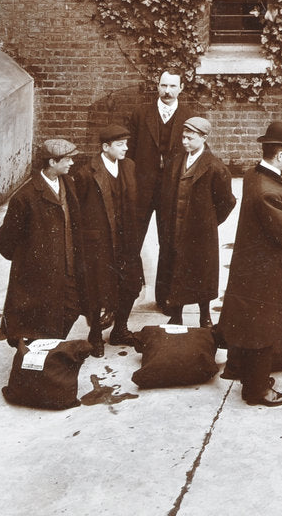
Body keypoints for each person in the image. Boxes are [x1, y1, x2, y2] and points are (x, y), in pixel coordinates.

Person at [219, 121, 282, 407]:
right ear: (280, 154)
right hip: (268, 273)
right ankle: (257, 391)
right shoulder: (266, 190)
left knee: (254, 327)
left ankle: (252, 379)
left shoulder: (255, 175)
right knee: (262, 330)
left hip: (256, 269)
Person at [0, 139, 85, 345]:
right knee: (40, 320)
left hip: (68, 266)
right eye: (68, 159)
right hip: (40, 273)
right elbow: (6, 241)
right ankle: (38, 355)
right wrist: (28, 259)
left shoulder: (68, 183)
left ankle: (47, 349)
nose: (72, 163)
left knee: (72, 308)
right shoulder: (24, 197)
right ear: (53, 162)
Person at [126, 69, 199, 312]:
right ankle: (125, 294)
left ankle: (166, 296)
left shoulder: (189, 117)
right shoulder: (141, 114)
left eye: (172, 87)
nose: (167, 91)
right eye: (163, 85)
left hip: (172, 189)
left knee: (169, 242)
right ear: (157, 86)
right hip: (141, 188)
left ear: (181, 89)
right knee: (131, 239)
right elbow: (130, 152)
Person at [73, 124, 144, 357]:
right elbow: (78, 211)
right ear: (105, 147)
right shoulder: (86, 173)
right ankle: (95, 334)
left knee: (131, 283)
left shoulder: (129, 166)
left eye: (126, 143)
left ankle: (120, 329)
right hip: (100, 242)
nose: (126, 148)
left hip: (127, 240)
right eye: (120, 144)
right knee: (98, 288)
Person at [159, 117, 236, 327]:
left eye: (190, 138)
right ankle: (176, 314)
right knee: (176, 269)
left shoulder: (215, 167)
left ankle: (205, 315)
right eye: (183, 137)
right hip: (176, 228)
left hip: (200, 232)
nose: (185, 142)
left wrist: (208, 222)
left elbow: (227, 202)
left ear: (203, 137)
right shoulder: (176, 161)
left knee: (202, 272)